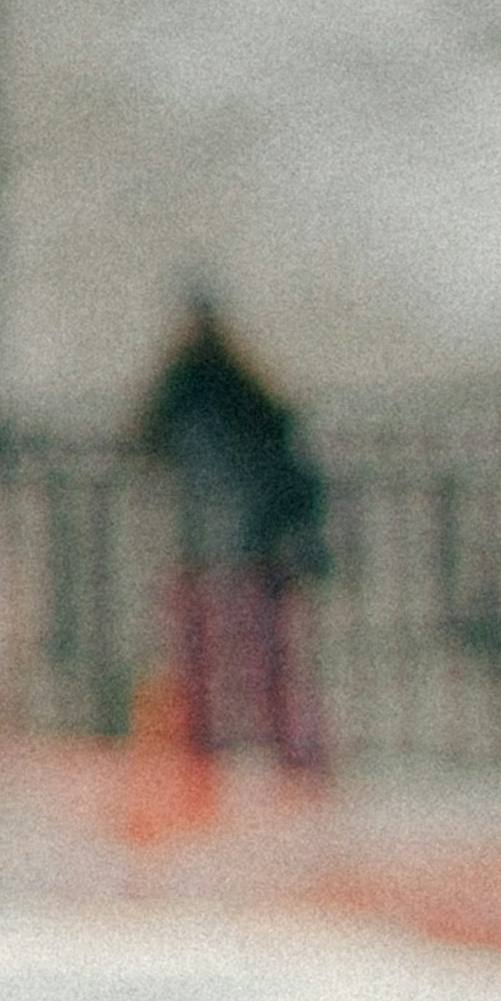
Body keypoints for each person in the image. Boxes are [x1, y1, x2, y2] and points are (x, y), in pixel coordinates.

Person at [133, 296, 328, 772]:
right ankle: (263, 763)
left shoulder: (207, 397)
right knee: (249, 670)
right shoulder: (238, 397)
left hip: (230, 553)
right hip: (235, 554)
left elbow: (144, 444)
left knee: (236, 670)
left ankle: (227, 763)